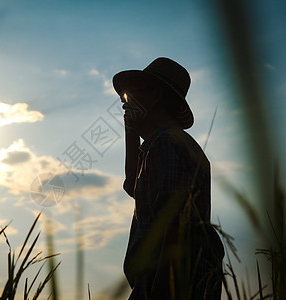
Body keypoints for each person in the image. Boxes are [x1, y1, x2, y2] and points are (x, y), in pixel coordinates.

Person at [112, 57, 224, 300]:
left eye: (131, 95)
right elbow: (132, 184)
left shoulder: (167, 145)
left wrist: (162, 290)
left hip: (169, 282)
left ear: (154, 96)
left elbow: (174, 222)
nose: (123, 104)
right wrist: (131, 128)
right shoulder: (162, 144)